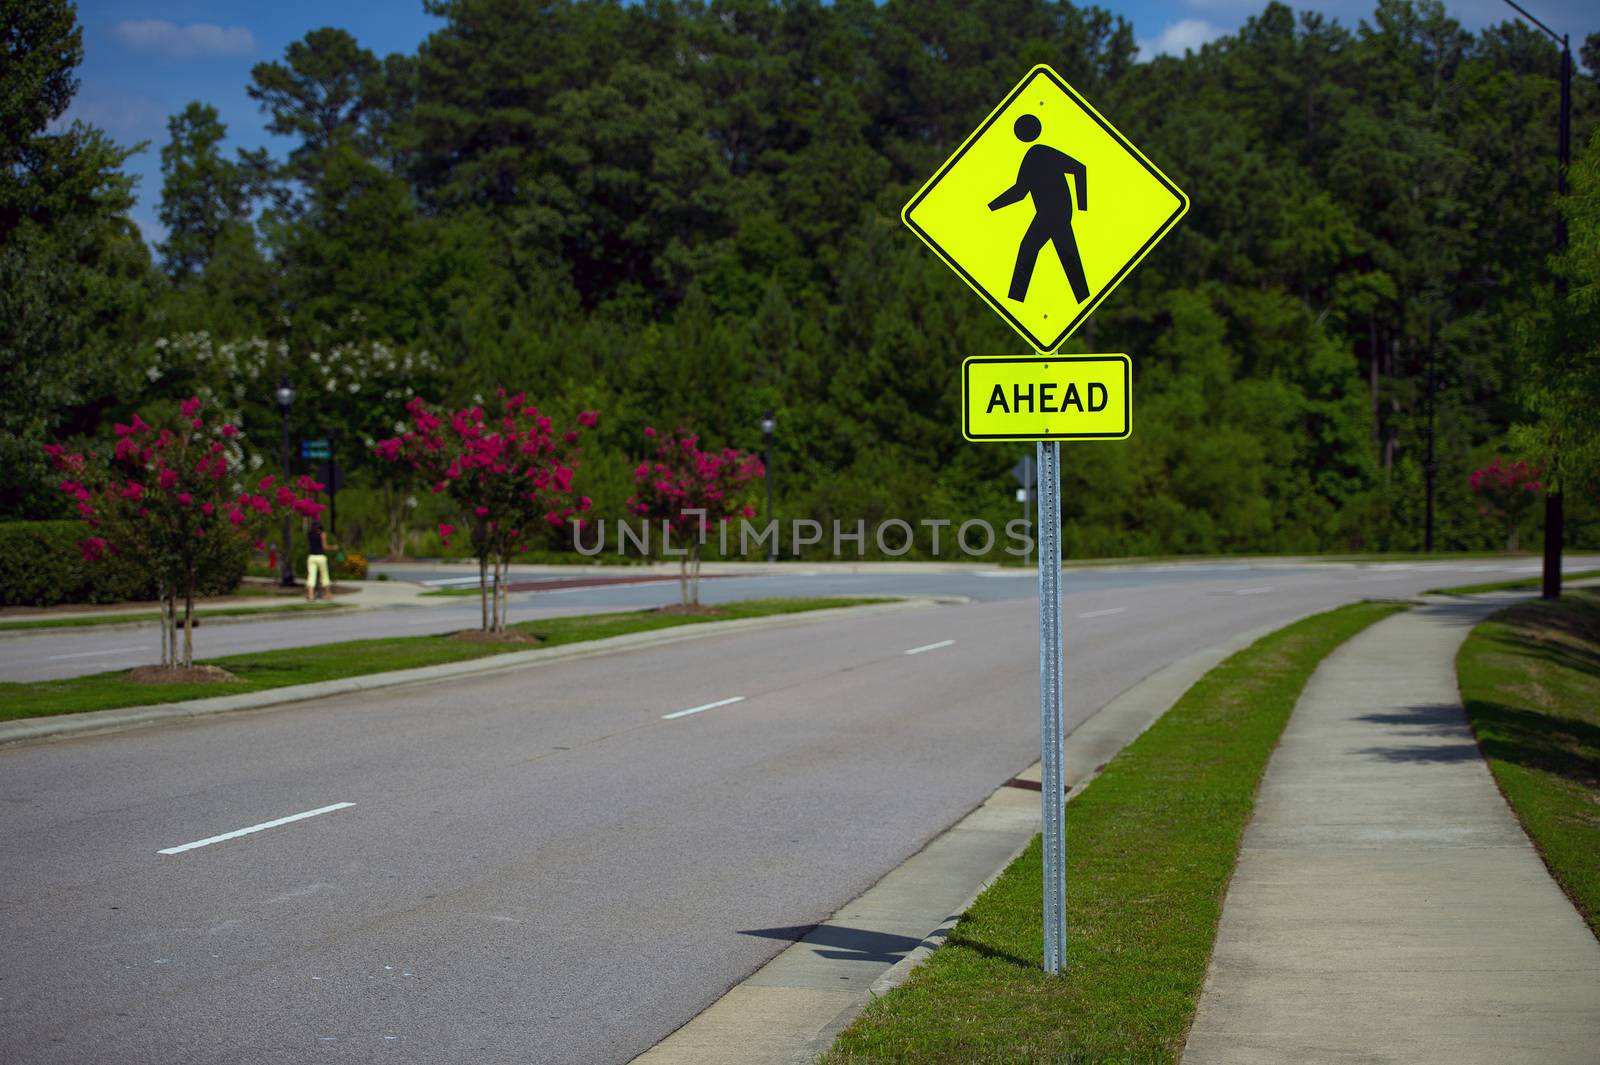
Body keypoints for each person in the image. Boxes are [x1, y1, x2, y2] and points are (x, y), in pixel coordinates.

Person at [987, 113, 1090, 304]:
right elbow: (1020, 192)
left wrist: (1082, 206)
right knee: (1067, 254)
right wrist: (991, 207)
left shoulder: (1039, 153)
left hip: (1052, 213)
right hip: (1053, 213)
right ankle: (1083, 297)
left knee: (1029, 248)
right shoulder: (1034, 155)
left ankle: (1016, 299)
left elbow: (1080, 169)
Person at [305, 520, 337, 602]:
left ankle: (311, 595)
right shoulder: (322, 534)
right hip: (320, 557)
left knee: (311, 576)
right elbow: (324, 547)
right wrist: (333, 547)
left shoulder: (309, 534)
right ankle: (328, 594)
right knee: (324, 576)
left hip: (311, 557)